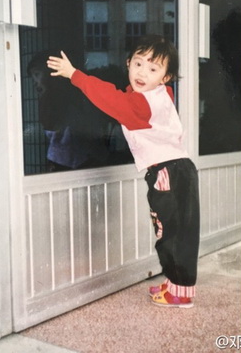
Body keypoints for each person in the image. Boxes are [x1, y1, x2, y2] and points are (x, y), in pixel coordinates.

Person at [47, 35, 200, 308]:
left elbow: (110, 98)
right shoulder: (160, 94)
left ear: (166, 77)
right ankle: (176, 284)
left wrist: (74, 75)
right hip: (177, 170)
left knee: (170, 234)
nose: (142, 72)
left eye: (153, 69)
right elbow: (126, 96)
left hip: (167, 172)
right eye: (138, 64)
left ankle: (180, 292)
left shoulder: (141, 105)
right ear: (128, 63)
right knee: (178, 232)